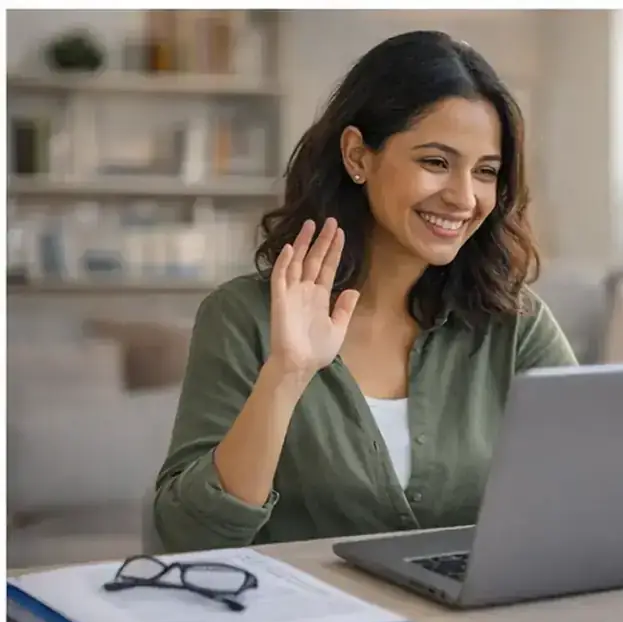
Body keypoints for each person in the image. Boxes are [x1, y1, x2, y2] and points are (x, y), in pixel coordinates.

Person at [153, 31, 577, 553]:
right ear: (358, 155)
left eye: (486, 172)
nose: (464, 197)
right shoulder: (243, 317)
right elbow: (187, 535)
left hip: (476, 606)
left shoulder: (515, 323)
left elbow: (594, 486)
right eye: (436, 162)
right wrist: (286, 375)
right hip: (305, 606)